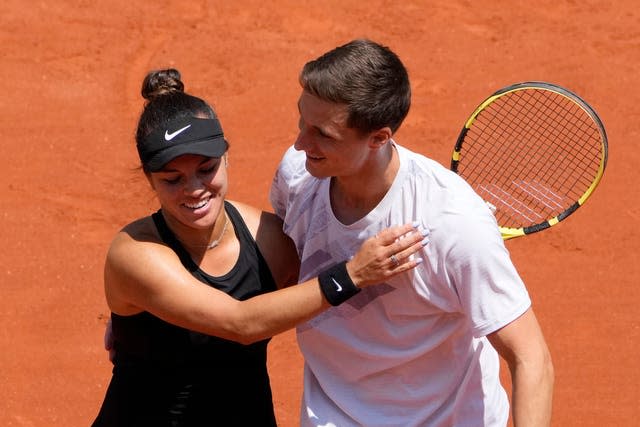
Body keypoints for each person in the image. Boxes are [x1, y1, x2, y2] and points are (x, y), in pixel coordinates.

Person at [91, 68, 427, 427]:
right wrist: (352, 274)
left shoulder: (271, 240)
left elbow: (341, 300)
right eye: (172, 180)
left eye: (207, 169)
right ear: (149, 179)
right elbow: (242, 323)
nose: (194, 189)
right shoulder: (136, 253)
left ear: (226, 157)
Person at [269, 39, 554, 426]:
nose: (301, 142)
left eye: (323, 134)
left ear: (379, 138)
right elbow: (290, 268)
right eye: (302, 121)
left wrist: (467, 240)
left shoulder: (453, 223)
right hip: (334, 415)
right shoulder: (298, 174)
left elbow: (530, 357)